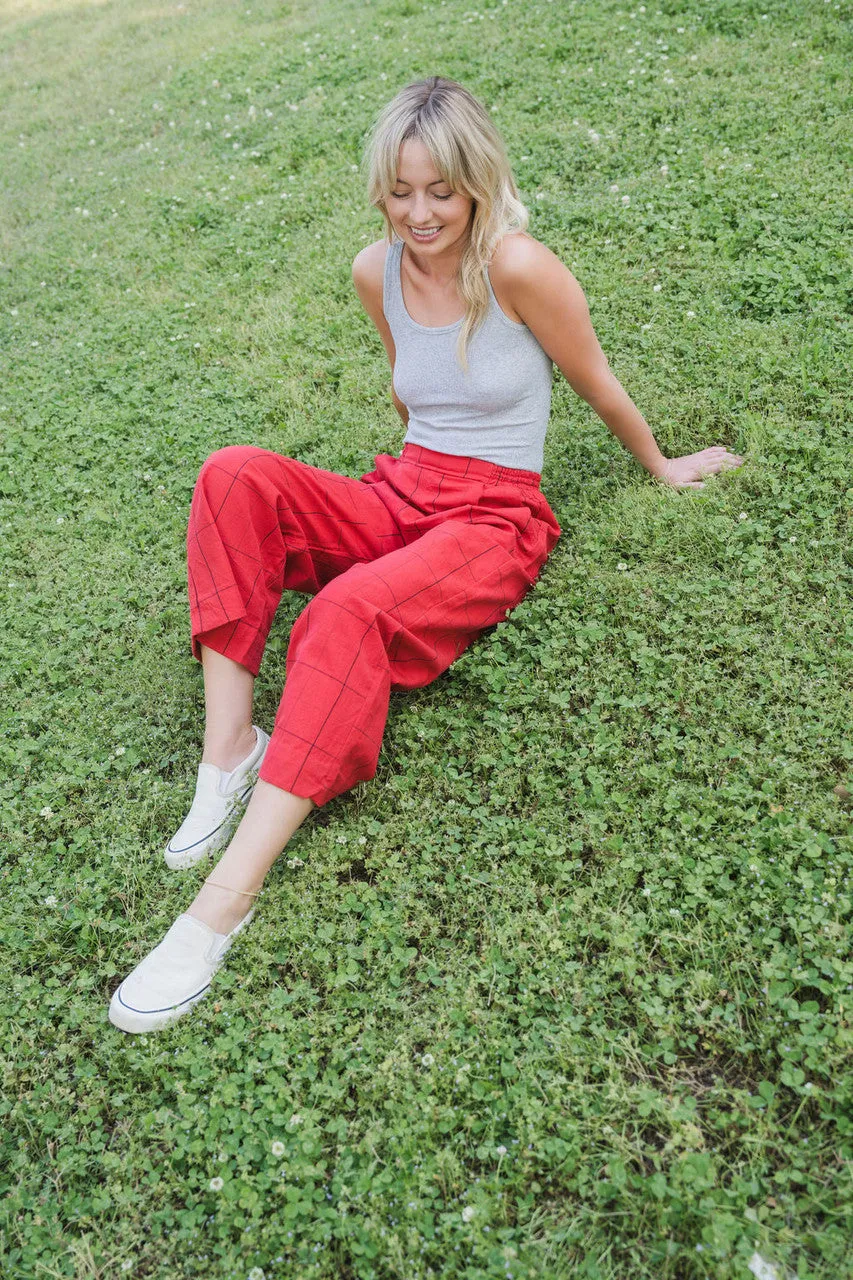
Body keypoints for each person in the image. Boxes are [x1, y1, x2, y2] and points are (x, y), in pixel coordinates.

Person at [108, 76, 742, 1033]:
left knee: (346, 610)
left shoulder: (519, 267)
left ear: (477, 184)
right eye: (400, 191)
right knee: (233, 475)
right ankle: (230, 751)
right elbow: (414, 397)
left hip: (493, 519)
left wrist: (659, 464)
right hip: (404, 488)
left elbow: (594, 378)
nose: (419, 213)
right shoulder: (376, 270)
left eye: (439, 191)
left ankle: (216, 912)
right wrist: (399, 481)